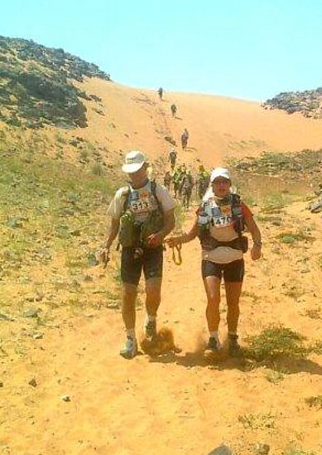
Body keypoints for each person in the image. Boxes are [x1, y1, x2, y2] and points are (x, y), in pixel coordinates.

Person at [166, 167, 262, 356]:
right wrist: (178, 240)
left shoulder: (239, 206)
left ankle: (232, 338)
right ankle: (213, 339)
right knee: (212, 299)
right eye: (217, 182)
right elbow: (192, 234)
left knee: (233, 302)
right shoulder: (205, 207)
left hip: (235, 258)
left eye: (224, 182)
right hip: (211, 258)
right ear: (212, 185)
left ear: (230, 184)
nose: (221, 186)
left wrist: (257, 245)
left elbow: (254, 229)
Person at [99, 150, 176, 359]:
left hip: (153, 248)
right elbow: (114, 223)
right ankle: (131, 339)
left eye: (138, 170)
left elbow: (170, 219)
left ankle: (151, 319)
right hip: (130, 249)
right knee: (128, 294)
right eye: (131, 171)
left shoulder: (158, 191)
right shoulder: (122, 194)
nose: (134, 174)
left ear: (145, 168)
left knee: (153, 291)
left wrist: (161, 235)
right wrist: (106, 245)